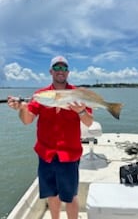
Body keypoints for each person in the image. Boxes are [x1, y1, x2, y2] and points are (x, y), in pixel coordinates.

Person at [7, 55, 93, 219]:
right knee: (52, 195)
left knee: (70, 196)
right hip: (46, 154)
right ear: (51, 71)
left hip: (69, 154)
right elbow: (27, 120)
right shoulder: (41, 95)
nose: (61, 71)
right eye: (57, 68)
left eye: (64, 68)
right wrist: (22, 108)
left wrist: (81, 111)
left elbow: (89, 123)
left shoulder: (78, 93)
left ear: (68, 72)